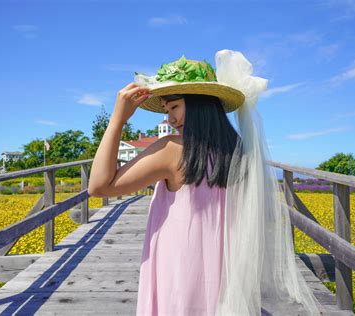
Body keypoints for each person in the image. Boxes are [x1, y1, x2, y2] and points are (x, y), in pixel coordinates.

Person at [88, 50, 321, 315]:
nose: (170, 119)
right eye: (166, 110)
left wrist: (117, 119)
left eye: (174, 106)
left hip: (180, 268)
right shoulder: (239, 152)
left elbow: (98, 187)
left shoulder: (171, 150)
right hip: (226, 273)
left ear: (199, 104)